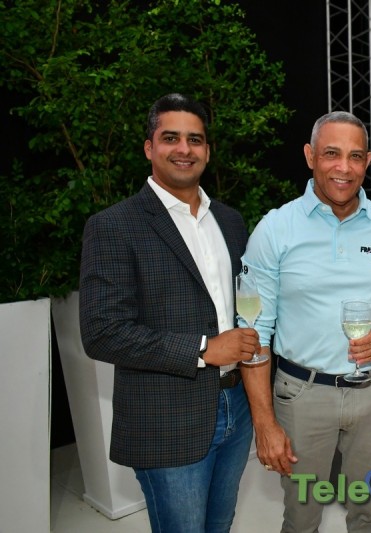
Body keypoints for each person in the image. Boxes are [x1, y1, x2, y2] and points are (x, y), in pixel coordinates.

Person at [79, 93, 261, 532]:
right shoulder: (114, 225)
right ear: (149, 147)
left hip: (235, 406)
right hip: (167, 419)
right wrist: (203, 349)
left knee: (220, 525)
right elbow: (102, 332)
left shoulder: (231, 222)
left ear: (207, 151)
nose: (184, 149)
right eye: (171, 138)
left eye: (195, 139)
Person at [239, 110, 371, 532]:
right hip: (302, 396)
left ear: (368, 161)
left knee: (369, 514)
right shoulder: (274, 229)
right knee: (302, 518)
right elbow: (253, 331)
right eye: (331, 154)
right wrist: (264, 423)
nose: (344, 167)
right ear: (310, 156)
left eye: (355, 156)